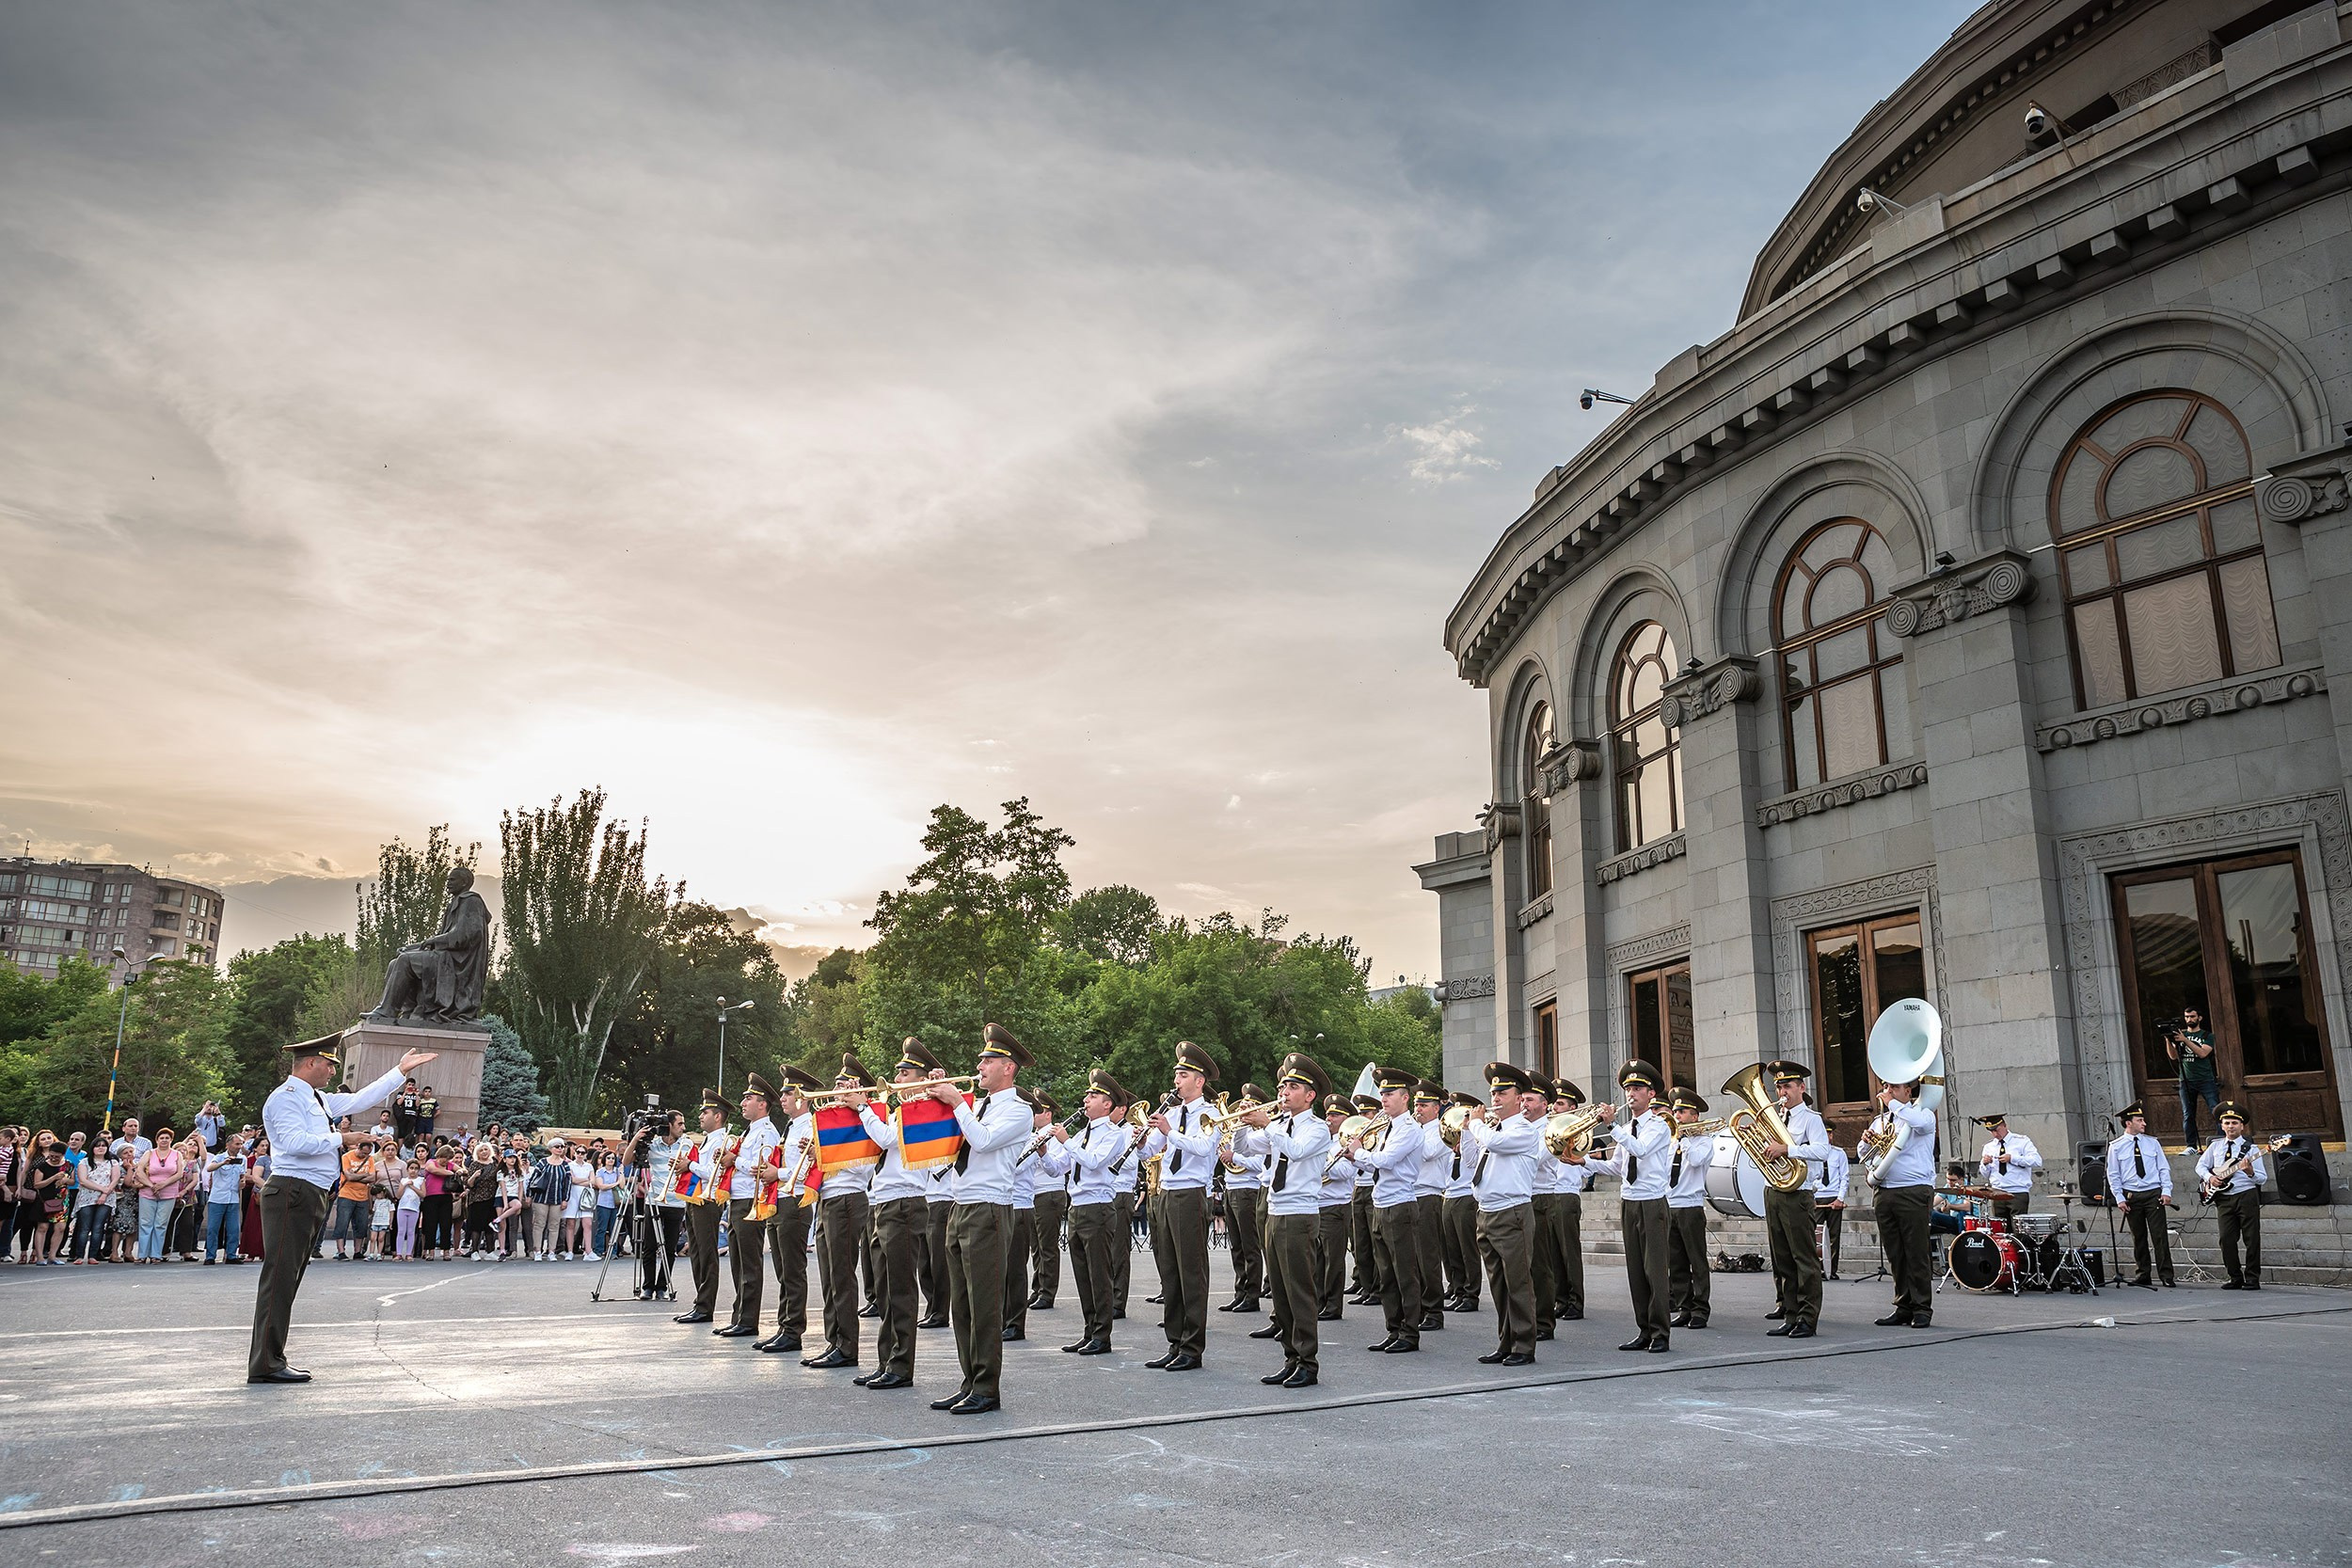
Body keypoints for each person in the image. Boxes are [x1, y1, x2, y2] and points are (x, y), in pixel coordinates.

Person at [249, 1032, 437, 1384]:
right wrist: (343, 1139)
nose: (333, 1071)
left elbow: (362, 1098)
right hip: (293, 1190)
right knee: (279, 1280)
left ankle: (270, 1358)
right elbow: (293, 1143)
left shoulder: (316, 1098)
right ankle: (266, 1363)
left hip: (309, 1192)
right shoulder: (287, 1098)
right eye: (330, 1064)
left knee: (287, 1279)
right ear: (310, 1064)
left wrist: (399, 1072)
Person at [928, 1022, 1035, 1416]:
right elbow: (950, 1135)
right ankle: (969, 1380)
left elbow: (983, 1140)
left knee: (985, 1303)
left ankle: (987, 1387)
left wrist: (956, 1102)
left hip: (989, 1208)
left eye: (988, 1059)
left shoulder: (1019, 1111)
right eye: (982, 1059)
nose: (980, 1064)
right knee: (961, 1303)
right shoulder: (978, 1105)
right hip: (961, 1205)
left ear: (1008, 1067)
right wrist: (939, 1094)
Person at [850, 1041, 948, 1388]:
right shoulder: (901, 1109)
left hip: (905, 1203)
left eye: (904, 1073)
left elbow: (888, 1139)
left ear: (920, 1081)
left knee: (902, 1290)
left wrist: (862, 1108)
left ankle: (901, 1365)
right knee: (886, 1290)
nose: (896, 1078)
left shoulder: (924, 1108)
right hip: (884, 1201)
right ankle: (887, 1361)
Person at [1233, 1052, 1334, 1388]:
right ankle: (1291, 1357)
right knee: (1279, 1292)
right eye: (1281, 1086)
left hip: (1299, 1214)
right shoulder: (1278, 1126)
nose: (1284, 1092)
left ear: (1310, 1095)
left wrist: (1267, 1125)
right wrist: (1237, 1123)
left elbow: (1297, 1151)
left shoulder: (1317, 1128)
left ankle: (1308, 1362)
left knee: (1299, 1292)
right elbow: (1247, 1148)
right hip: (1275, 1212)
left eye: (1292, 1087)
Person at [1139, 1039, 1220, 1373]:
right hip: (1167, 1192)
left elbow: (1202, 1150)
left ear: (1199, 1081)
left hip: (1190, 1193)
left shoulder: (1211, 1114)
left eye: (1183, 1075)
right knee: (1170, 1272)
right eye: (1177, 1075)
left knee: (1191, 1272)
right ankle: (1175, 1342)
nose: (1176, 1081)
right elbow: (1151, 1154)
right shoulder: (1173, 1113)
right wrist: (1143, 1138)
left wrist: (1170, 1131)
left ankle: (1192, 1346)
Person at [1585, 1060, 1673, 1352]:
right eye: (1628, 1089)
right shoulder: (1625, 1128)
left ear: (1651, 1094)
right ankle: (1644, 1330)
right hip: (1630, 1202)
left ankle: (1661, 1332)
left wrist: (1611, 1126)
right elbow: (1618, 1166)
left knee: (1654, 1270)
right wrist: (1582, 1161)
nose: (1631, 1094)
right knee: (1635, 1270)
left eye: (1637, 1088)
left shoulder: (1658, 1126)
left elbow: (1642, 1150)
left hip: (1652, 1203)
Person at [1347, 1063, 1427, 1354]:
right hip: (1381, 1203)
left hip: (1400, 1205)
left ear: (1405, 1097)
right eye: (1382, 1093)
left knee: (1405, 1272)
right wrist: (1355, 1157)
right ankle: (1394, 1329)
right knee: (1387, 1274)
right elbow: (1374, 1160)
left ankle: (1410, 1331)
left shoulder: (1409, 1129)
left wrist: (1359, 1152)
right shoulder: (1386, 1127)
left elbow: (1386, 1160)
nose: (1383, 1098)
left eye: (1389, 1093)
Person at [803, 1054, 876, 1370]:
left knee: (842, 1275)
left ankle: (847, 1347)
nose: (836, 1092)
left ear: (858, 1088)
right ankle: (834, 1340)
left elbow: (864, 1164)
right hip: (828, 1198)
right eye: (836, 1086)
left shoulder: (863, 1118)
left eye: (843, 1086)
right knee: (829, 1277)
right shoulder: (834, 1119)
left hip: (848, 1197)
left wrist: (830, 1151)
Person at [1057, 1069, 1132, 1357]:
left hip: (1098, 1207)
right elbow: (1057, 1168)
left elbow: (1094, 1162)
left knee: (1099, 1274)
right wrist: (1042, 1153)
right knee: (1082, 1275)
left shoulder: (1113, 1134)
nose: (1087, 1099)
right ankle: (1089, 1330)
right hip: (1076, 1207)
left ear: (1108, 1104)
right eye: (1088, 1094)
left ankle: (1103, 1335)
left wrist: (1066, 1141)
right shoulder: (1080, 1134)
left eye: (1094, 1095)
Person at [1754, 1062, 1832, 1337]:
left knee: (1804, 1258)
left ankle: (1808, 1318)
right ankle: (1790, 1313)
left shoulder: (1811, 1118)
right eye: (1778, 1086)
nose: (1782, 1091)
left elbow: (1823, 1150)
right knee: (1782, 1257)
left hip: (1797, 1194)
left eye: (1787, 1086)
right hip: (1773, 1190)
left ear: (1801, 1087)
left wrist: (1787, 1149)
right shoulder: (1773, 1117)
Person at [1861, 1076, 1940, 1327]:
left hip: (1914, 1191)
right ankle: (1903, 1305)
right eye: (1885, 1087)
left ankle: (1922, 1308)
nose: (1887, 1091)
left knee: (1916, 1252)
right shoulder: (1881, 1121)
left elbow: (1918, 1124)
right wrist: (1865, 1143)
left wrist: (1894, 1104)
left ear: (1908, 1089)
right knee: (1895, 1253)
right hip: (1885, 1191)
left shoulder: (1923, 1114)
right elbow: (1865, 1156)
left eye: (1893, 1087)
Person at [755, 1065, 820, 1353]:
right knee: (783, 1269)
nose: (781, 1097)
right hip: (781, 1200)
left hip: (795, 1201)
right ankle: (785, 1325)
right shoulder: (793, 1126)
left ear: (802, 1096)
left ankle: (793, 1330)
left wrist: (776, 1174)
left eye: (787, 1093)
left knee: (793, 1270)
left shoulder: (811, 1126)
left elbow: (808, 1168)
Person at [714, 1072, 783, 1340]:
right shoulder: (750, 1131)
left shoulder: (767, 1131)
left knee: (749, 1264)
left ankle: (748, 1319)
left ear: (763, 1104)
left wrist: (734, 1161)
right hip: (738, 1199)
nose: (743, 1102)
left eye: (749, 1098)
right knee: (738, 1263)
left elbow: (761, 1168)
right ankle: (739, 1315)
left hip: (750, 1200)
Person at [1001, 1088, 1068, 1344]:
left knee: (1019, 1267)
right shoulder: (1021, 1138)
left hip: (1024, 1204)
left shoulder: (1035, 1141)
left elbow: (1017, 1167)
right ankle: (1009, 1314)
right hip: (1007, 1204)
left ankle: (1017, 1321)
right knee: (1010, 1264)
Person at [2196, 1102, 2267, 1291]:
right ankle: (2235, 1277)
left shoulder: (2251, 1150)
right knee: (2226, 1239)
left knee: (2251, 1238)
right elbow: (2200, 1166)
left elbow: (2262, 1179)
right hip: (2224, 1198)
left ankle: (2252, 1278)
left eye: (2234, 1123)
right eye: (2227, 1122)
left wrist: (2250, 1172)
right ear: (2221, 1125)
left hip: (2246, 1195)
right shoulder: (2215, 1147)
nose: (2230, 1126)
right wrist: (2210, 1178)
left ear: (2242, 1126)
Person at [2106, 1101, 2176, 1289]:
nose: (2144, 1123)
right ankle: (2143, 1273)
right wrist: (2119, 1198)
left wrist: (2166, 1191)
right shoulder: (2116, 1146)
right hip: (2132, 1196)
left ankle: (2166, 1274)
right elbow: (2113, 1174)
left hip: (2153, 1194)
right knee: (2139, 1236)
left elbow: (2163, 1168)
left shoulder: (2152, 1143)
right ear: (2128, 1123)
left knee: (2159, 1235)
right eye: (2140, 1120)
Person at [1663, 1086, 1716, 1331]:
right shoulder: (1671, 1141)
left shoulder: (1704, 1142)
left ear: (1694, 1116)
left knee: (1697, 1260)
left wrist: (1684, 1139)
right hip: (1671, 1204)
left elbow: (1696, 1161)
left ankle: (1700, 1310)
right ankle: (1684, 1307)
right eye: (1675, 1111)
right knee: (1677, 1262)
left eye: (1682, 1112)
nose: (1677, 1116)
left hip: (1691, 1206)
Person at [674, 1091, 728, 1323]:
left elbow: (713, 1173)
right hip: (696, 1198)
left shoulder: (721, 1139)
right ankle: (700, 1302)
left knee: (706, 1254)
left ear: (717, 1116)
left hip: (708, 1201)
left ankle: (706, 1307)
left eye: (705, 1112)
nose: (700, 1115)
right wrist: (684, 1166)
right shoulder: (707, 1139)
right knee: (696, 1252)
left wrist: (690, 1165)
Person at [1216, 1085, 1266, 1315]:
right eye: (1243, 1105)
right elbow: (1235, 1148)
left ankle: (1252, 1294)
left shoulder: (1262, 1134)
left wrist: (1234, 1157)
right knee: (1236, 1246)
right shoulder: (1243, 1131)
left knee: (1249, 1246)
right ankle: (1240, 1292)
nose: (1243, 1108)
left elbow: (1261, 1164)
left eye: (1249, 1105)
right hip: (1232, 1188)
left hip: (1248, 1189)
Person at [1409, 1080, 1452, 1333]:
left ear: (1436, 1108)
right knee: (1413, 1259)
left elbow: (1426, 1153)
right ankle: (1420, 1309)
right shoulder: (1415, 1129)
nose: (1418, 1109)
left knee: (1428, 1258)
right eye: (1417, 1104)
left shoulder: (1440, 1130)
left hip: (1429, 1195)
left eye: (1424, 1105)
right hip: (1410, 1196)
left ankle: (1434, 1311)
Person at [1025, 1091, 1070, 1315]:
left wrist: (1038, 1153)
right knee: (1036, 1246)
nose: (1033, 1115)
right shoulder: (1034, 1134)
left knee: (1047, 1246)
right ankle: (1038, 1287)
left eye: (1037, 1111)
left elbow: (1057, 1166)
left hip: (1049, 1193)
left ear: (1048, 1113)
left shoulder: (1054, 1135)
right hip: (1035, 1193)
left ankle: (1048, 1292)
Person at [1312, 1096, 1357, 1321]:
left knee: (1333, 1260)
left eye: (1335, 1115)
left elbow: (1345, 1173)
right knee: (1318, 1260)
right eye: (1328, 1114)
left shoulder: (1348, 1142)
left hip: (1336, 1204)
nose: (1329, 1118)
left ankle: (1332, 1305)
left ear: (1347, 1120)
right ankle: (1320, 1301)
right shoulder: (1326, 1141)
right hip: (1318, 1203)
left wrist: (1322, 1160)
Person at [637, 1110, 686, 1297]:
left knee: (669, 1247)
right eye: (679, 1124)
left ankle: (662, 1287)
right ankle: (648, 1286)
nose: (683, 1127)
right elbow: (627, 1160)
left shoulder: (686, 1143)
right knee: (649, 1245)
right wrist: (637, 1138)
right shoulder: (654, 1144)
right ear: (669, 1125)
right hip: (654, 1201)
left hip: (676, 1203)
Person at [1440, 1091, 1482, 1313]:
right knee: (1451, 1248)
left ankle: (1471, 1293)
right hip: (1450, 1194)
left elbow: (1474, 1161)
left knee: (1468, 1248)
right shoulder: (1449, 1141)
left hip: (1466, 1195)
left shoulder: (1474, 1138)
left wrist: (1468, 1138)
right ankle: (1458, 1289)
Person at [2167, 1006, 2219, 1153]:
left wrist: (2185, 1040)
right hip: (2186, 1080)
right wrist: (2168, 1039)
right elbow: (2173, 1056)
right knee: (2188, 1114)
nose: (2189, 1019)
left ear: (2199, 1018)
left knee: (2216, 1110)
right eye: (2187, 1017)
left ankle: (2221, 1141)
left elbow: (2203, 1053)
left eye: (2192, 1017)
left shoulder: (2207, 1035)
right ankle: (2191, 1146)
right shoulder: (2180, 1034)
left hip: (2206, 1079)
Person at [1975, 1113, 2043, 1226]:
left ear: (2004, 1126)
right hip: (1997, 1192)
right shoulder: (1989, 1147)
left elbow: (2036, 1161)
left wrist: (2012, 1158)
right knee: (2001, 1231)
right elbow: (1986, 1174)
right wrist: (1985, 1164)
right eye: (1992, 1131)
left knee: (2019, 1230)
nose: (1995, 1134)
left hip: (2017, 1192)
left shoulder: (2021, 1141)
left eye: (1997, 1130)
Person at [202, 1132, 249, 1263]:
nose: (239, 1147)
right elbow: (210, 1168)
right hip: (218, 1198)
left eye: (241, 1144)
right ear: (228, 1145)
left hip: (233, 1197)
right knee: (213, 1229)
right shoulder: (219, 1157)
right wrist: (223, 1163)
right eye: (237, 1144)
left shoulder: (242, 1159)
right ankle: (210, 1256)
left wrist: (242, 1181)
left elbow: (242, 1174)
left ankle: (231, 1255)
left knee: (234, 1229)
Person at [71, 1139, 119, 1263]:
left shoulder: (113, 1162)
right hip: (87, 1197)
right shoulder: (84, 1162)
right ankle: (79, 1255)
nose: (101, 1148)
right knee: (84, 1228)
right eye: (98, 1146)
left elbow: (115, 1179)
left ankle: (93, 1255)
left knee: (98, 1227)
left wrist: (105, 1193)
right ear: (92, 1148)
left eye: (104, 1146)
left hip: (106, 1198)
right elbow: (83, 1180)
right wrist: (101, 1189)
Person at [525, 1137, 572, 1259]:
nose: (560, 1149)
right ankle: (537, 1251)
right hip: (541, 1198)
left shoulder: (565, 1165)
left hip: (557, 1199)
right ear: (550, 1148)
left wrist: (565, 1199)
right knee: (539, 1224)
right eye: (557, 1146)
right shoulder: (543, 1162)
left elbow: (568, 1183)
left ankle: (552, 1251)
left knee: (554, 1225)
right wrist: (529, 1195)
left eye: (562, 1146)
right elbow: (533, 1179)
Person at [1815, 1136, 1851, 1280]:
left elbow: (1844, 1176)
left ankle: (1831, 1270)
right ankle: (1817, 1269)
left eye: (1829, 1134)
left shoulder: (1839, 1153)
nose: (1826, 1137)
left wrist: (1840, 1198)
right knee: (1815, 1235)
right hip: (1816, 1197)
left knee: (1834, 1235)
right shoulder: (1811, 1152)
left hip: (1833, 1196)